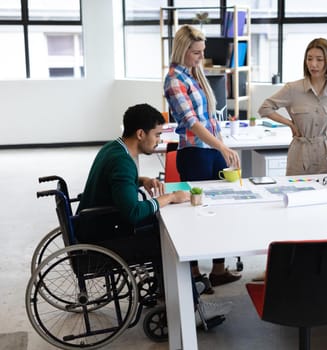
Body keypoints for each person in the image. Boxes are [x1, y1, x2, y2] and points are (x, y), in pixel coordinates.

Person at [77, 103, 232, 325]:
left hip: (95, 224)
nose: (159, 140)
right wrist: (168, 198)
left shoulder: (113, 148)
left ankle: (181, 289)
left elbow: (116, 182)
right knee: (170, 240)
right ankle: (192, 307)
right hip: (104, 236)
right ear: (141, 134)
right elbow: (133, 212)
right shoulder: (123, 162)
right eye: (157, 134)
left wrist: (142, 180)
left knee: (161, 228)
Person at [164, 25, 242, 291]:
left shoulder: (195, 75)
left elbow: (210, 118)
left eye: (202, 52)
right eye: (196, 52)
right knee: (196, 214)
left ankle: (218, 270)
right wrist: (221, 147)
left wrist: (221, 145)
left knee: (219, 208)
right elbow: (192, 123)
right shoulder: (175, 80)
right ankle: (195, 273)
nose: (201, 57)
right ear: (183, 50)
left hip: (211, 150)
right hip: (195, 153)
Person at [258, 37, 327, 175]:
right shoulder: (292, 89)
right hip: (300, 154)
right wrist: (290, 124)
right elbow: (265, 108)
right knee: (296, 194)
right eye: (309, 59)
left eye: (319, 60)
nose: (313, 64)